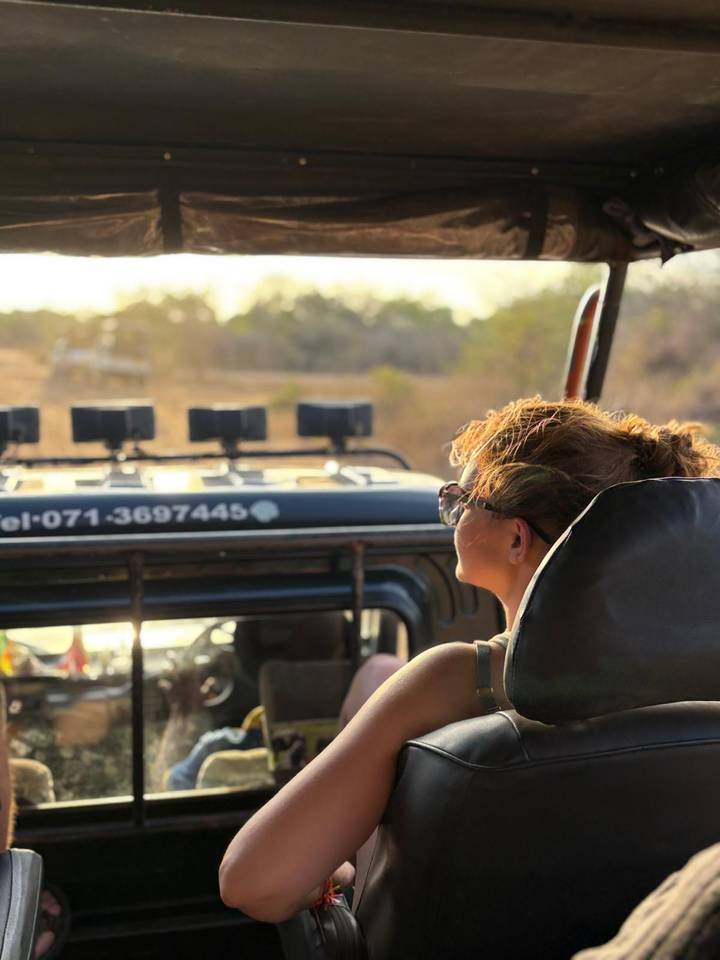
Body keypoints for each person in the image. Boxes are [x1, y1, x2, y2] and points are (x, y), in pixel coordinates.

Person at [218, 397, 720, 923]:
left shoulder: (456, 680)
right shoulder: (700, 673)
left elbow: (254, 882)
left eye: (461, 500)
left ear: (515, 538)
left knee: (378, 673)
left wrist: (336, 869)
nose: (452, 515)